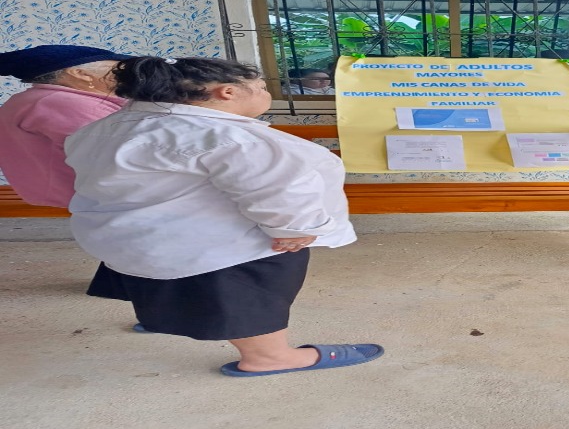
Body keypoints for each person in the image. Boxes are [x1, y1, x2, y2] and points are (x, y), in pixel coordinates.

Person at [65, 57, 382, 376]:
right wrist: (296, 228)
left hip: (126, 236)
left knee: (168, 272)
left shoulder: (107, 127)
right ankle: (269, 357)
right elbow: (278, 189)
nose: (265, 93)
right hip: (210, 246)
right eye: (261, 87)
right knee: (257, 277)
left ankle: (161, 318)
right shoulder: (228, 137)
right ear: (227, 92)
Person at [0, 45, 132, 207]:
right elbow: (121, 151)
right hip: (91, 197)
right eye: (118, 68)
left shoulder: (42, 98)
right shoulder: (65, 103)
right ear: (81, 74)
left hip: (78, 193)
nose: (129, 73)